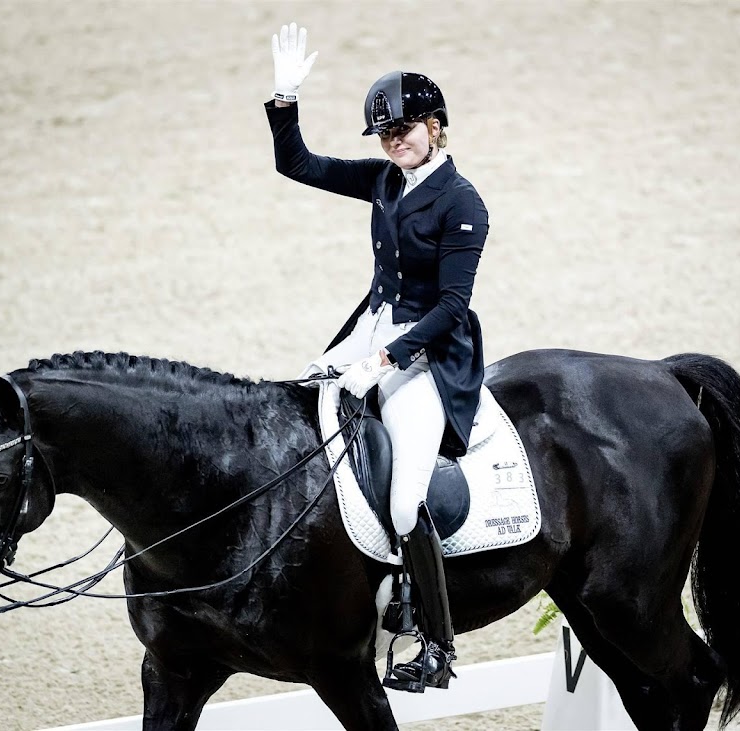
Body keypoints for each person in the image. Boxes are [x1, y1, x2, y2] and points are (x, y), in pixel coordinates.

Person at [265, 23, 489, 691]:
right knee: (296, 415)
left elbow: (452, 307)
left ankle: (437, 645)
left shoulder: (462, 202)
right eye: (388, 133)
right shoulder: (386, 182)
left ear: (437, 126)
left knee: (403, 499)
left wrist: (385, 362)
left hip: (426, 353)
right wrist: (284, 98)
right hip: (370, 329)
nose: (397, 141)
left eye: (408, 128)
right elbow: (297, 164)